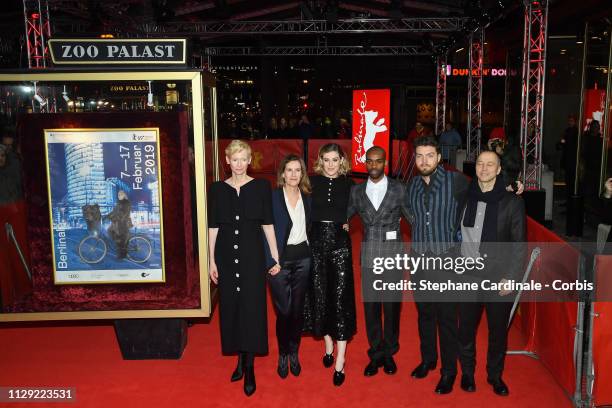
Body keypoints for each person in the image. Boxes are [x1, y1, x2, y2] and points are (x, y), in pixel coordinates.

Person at [207, 140, 281, 397]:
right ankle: (239, 357)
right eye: (234, 159)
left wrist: (274, 255)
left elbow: (268, 224)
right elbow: (213, 227)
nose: (238, 164)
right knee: (231, 306)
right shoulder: (217, 189)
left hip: (252, 256)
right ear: (227, 161)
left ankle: (249, 366)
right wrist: (210, 260)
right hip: (226, 255)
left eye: (243, 159)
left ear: (250, 160)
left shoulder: (261, 186)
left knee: (252, 307)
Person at [457, 150, 526, 396]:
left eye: (490, 165)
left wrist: (512, 277)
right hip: (467, 275)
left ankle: (495, 375)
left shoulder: (512, 202)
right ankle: (467, 372)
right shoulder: (463, 196)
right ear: (474, 167)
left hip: (499, 278)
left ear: (499, 170)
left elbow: (519, 245)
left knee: (497, 332)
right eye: (480, 164)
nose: (484, 168)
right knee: (465, 328)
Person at [404, 135, 468, 394]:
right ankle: (428, 359)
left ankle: (449, 371)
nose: (424, 161)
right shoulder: (412, 185)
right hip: (420, 258)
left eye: (429, 155)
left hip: (447, 259)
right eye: (419, 156)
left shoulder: (456, 181)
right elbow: (410, 214)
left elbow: (482, 192)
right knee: (425, 314)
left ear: (439, 158)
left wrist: (511, 186)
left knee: (447, 318)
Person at [347, 146, 410, 377]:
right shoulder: (356, 191)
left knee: (392, 308)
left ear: (385, 163)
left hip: (393, 257)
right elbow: (342, 215)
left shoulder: (399, 189)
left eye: (378, 161)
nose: (374, 165)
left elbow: (414, 218)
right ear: (365, 163)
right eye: (370, 161)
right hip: (369, 257)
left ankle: (390, 353)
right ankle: (375, 353)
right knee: (372, 308)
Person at [303, 143, 356, 386]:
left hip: (340, 244)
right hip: (315, 245)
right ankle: (327, 344)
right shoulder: (310, 183)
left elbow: (360, 208)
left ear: (342, 161)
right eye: (327, 160)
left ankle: (341, 359)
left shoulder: (349, 184)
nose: (331, 164)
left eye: (336, 159)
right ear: (321, 161)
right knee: (320, 294)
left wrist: (348, 223)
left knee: (340, 297)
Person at [264, 154, 312, 379]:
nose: (294, 174)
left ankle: (294, 352)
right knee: (283, 311)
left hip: (304, 259)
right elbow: (262, 231)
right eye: (289, 170)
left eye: (298, 170)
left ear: (302, 174)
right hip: (279, 262)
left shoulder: (307, 197)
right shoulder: (272, 198)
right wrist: (270, 261)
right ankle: (283, 353)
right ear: (282, 173)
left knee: (297, 310)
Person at [105, 190, 133, 259]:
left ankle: (122, 254)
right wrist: (107, 216)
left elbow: (125, 213)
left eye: (120, 194)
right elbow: (114, 211)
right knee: (109, 231)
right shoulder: (118, 203)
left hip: (123, 222)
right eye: (118, 195)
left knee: (120, 237)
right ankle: (120, 248)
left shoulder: (126, 203)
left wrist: (115, 218)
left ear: (124, 195)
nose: (119, 196)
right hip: (118, 221)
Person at [558, 115, 579, 200]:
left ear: (575, 121)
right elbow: (563, 142)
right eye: (569, 120)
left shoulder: (576, 132)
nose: (570, 122)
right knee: (568, 181)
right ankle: (568, 201)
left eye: (572, 120)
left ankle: (571, 200)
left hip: (572, 161)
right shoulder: (567, 131)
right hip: (568, 159)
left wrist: (563, 143)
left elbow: (569, 144)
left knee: (571, 182)